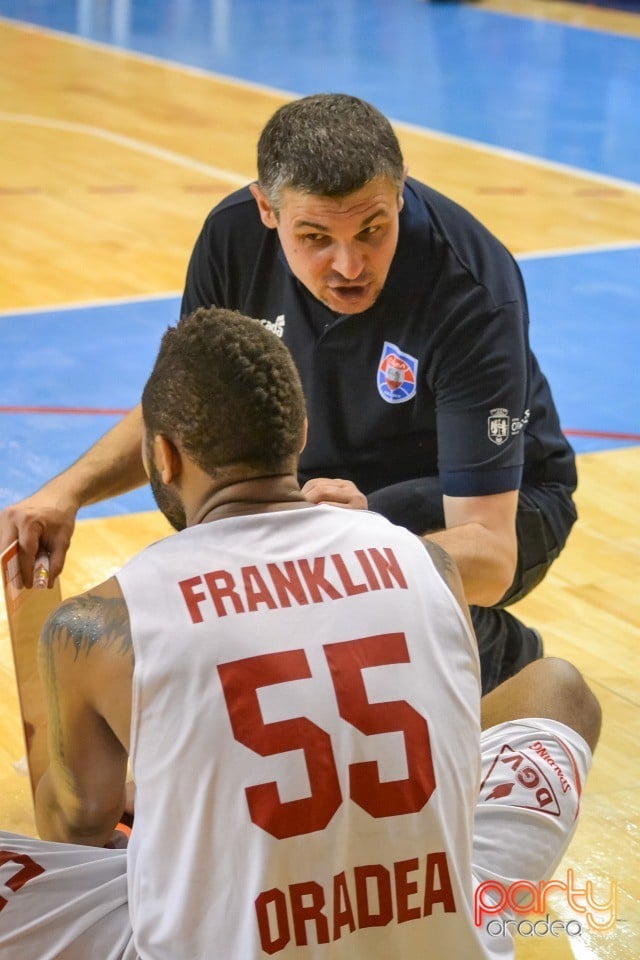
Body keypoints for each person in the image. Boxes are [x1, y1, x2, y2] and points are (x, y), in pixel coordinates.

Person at [0, 308, 600, 960]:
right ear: (301, 434)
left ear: (164, 456)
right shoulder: (429, 564)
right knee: (558, 688)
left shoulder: (98, 624)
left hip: (224, 944)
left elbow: (79, 831)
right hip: (433, 940)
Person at [0, 93, 578, 694]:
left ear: (401, 190)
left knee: (331, 549)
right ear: (267, 210)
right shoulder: (232, 241)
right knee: (214, 497)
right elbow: (185, 413)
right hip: (321, 490)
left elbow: (491, 549)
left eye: (373, 229)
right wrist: (65, 493)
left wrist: (360, 547)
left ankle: (496, 651)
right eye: (316, 236)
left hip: (498, 501)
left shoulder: (471, 288)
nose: (349, 264)